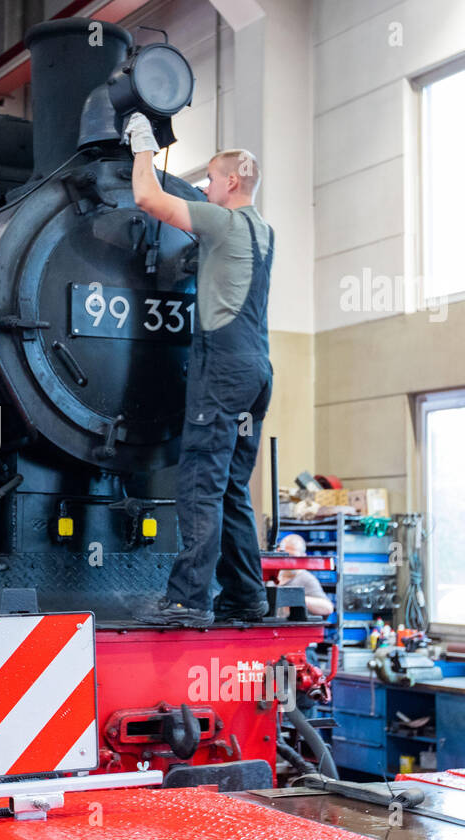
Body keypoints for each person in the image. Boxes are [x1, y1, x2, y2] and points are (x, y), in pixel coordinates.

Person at [124, 113, 275, 627]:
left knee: (199, 483)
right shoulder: (263, 232)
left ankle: (189, 600)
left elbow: (147, 198)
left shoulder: (223, 220)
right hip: (257, 371)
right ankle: (246, 598)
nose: (205, 186)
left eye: (210, 178)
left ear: (232, 181)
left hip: (223, 368)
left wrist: (142, 146)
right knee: (233, 486)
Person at [276, 533, 335, 617]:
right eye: (285, 554)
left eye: (293, 556)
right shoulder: (272, 576)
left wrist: (297, 598)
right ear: (278, 551)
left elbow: (327, 608)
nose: (288, 560)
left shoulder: (306, 579)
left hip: (291, 628)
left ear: (303, 557)